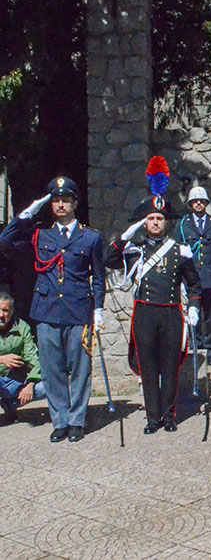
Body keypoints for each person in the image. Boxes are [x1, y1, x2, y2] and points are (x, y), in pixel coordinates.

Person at [0, 176, 105, 443]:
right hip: (46, 311)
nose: (60, 205)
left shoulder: (90, 237)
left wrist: (98, 310)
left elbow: (99, 277)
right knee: (52, 369)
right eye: (56, 201)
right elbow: (5, 240)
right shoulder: (39, 234)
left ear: (75, 203)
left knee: (80, 368)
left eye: (65, 200)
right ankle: (60, 421)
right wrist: (27, 213)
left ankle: (77, 420)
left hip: (79, 309)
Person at [105, 157, 201, 434]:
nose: (156, 222)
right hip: (145, 313)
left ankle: (170, 417)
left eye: (160, 218)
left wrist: (193, 307)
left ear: (166, 222)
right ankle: (152, 419)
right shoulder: (135, 251)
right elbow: (110, 259)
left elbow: (193, 285)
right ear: (145, 223)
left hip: (171, 313)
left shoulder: (179, 250)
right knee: (148, 368)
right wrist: (125, 236)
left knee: (170, 367)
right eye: (151, 219)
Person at [178, 186, 211, 365]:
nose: (198, 203)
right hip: (191, 278)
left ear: (206, 203)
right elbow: (179, 253)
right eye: (195, 201)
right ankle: (196, 346)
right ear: (191, 204)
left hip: (210, 276)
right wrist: (180, 281)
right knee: (193, 314)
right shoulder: (183, 224)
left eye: (202, 201)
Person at [0, 292, 46, 421]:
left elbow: (33, 357)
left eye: (5, 311)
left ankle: (10, 404)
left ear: (12, 311)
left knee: (45, 387)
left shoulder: (22, 327)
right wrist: (2, 359)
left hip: (15, 379)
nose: (1, 315)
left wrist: (31, 383)